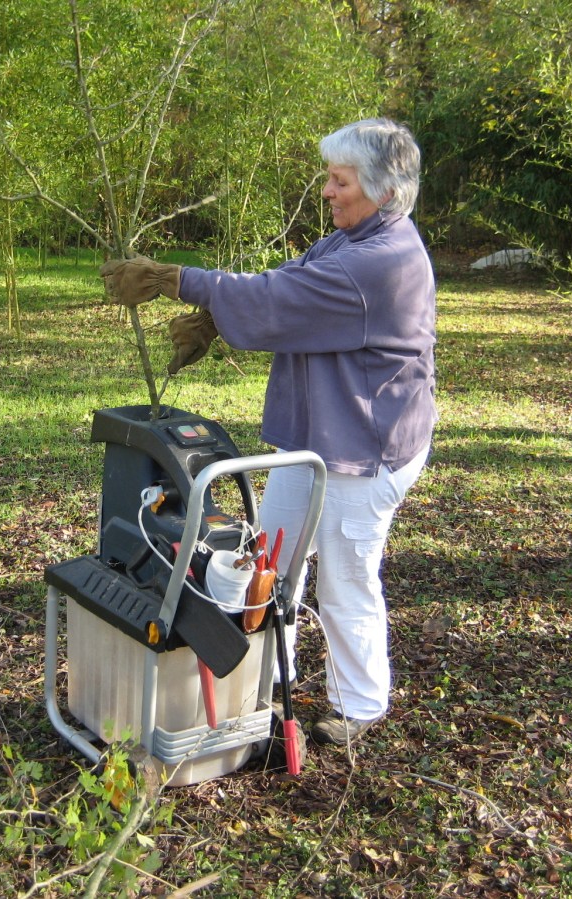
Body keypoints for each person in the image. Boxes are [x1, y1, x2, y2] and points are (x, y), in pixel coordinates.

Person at [100, 118, 436, 746]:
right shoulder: (350, 241)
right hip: (318, 442)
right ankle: (268, 677)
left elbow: (279, 298)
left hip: (363, 450)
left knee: (346, 579)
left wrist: (172, 279)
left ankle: (360, 705)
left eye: (340, 181)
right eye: (329, 178)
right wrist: (213, 317)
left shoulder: (381, 261)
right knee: (272, 563)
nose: (327, 191)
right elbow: (289, 280)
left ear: (384, 191)